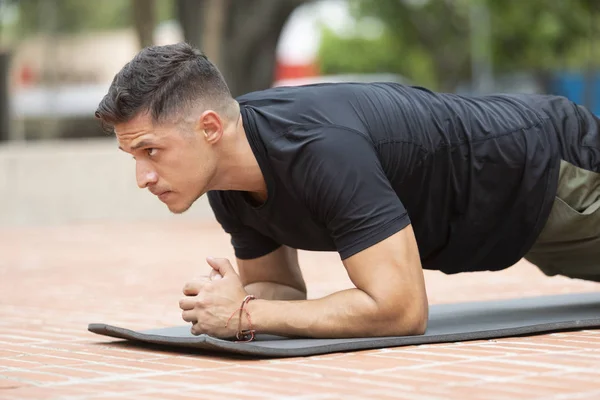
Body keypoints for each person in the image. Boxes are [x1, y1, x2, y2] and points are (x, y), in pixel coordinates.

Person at [95, 43, 600, 341]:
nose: (143, 178)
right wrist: (231, 302)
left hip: (559, 173)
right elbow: (286, 293)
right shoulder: (228, 179)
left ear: (209, 128)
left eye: (150, 152)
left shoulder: (320, 149)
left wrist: (248, 314)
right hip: (515, 218)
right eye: (133, 158)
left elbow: (402, 310)